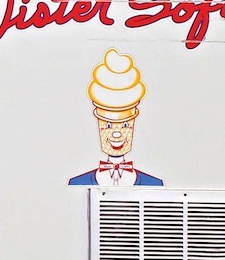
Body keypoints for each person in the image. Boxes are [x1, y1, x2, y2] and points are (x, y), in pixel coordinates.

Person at [68, 50, 162, 187]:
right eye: (108, 126)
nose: (116, 134)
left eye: (124, 125)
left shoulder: (153, 185)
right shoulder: (77, 184)